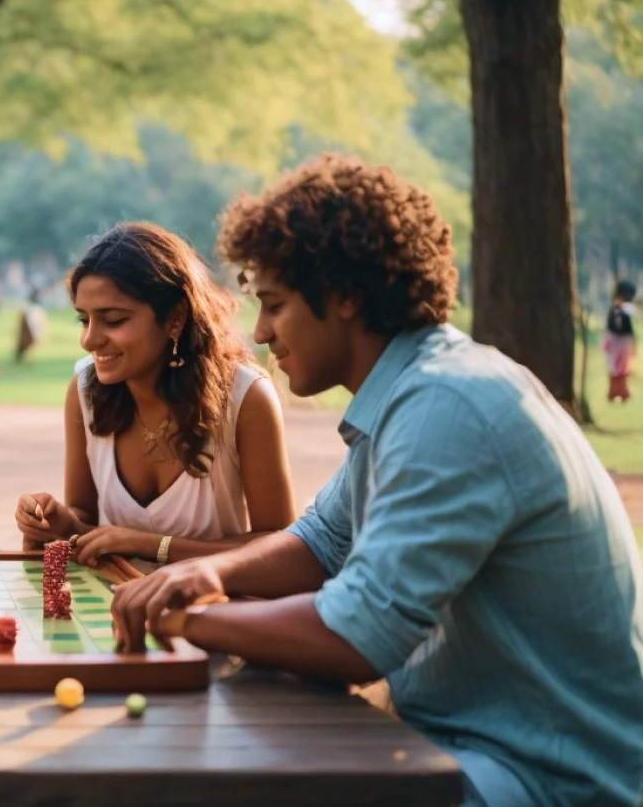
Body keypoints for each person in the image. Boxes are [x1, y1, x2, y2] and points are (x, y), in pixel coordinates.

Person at [110, 155, 643, 806]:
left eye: (275, 304)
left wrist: (196, 620)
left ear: (345, 296)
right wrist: (212, 576)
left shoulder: (450, 407)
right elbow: (321, 543)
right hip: (467, 749)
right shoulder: (417, 390)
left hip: (544, 781)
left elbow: (358, 635)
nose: (260, 332)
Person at [15, 223, 294, 571]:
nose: (89, 339)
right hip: (113, 606)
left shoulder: (246, 398)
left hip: (212, 614)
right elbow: (83, 515)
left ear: (175, 318)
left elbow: (278, 544)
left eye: (113, 320)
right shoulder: (85, 389)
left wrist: (151, 546)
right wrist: (60, 521)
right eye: (84, 320)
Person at [604, 279, 637, 403]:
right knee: (613, 368)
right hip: (615, 343)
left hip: (624, 344)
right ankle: (613, 392)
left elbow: (628, 329)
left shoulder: (627, 311)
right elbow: (612, 327)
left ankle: (623, 393)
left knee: (623, 369)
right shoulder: (615, 310)